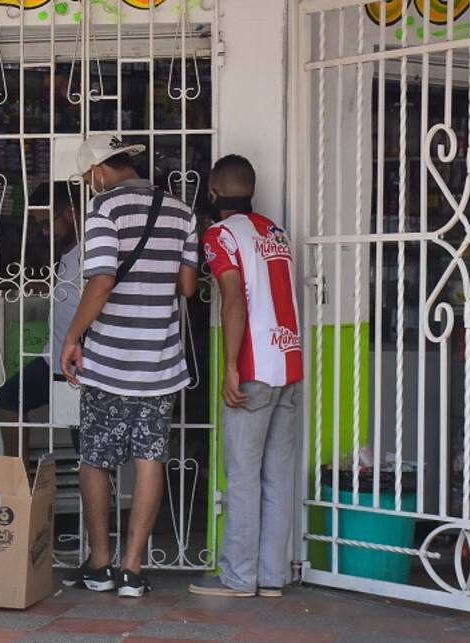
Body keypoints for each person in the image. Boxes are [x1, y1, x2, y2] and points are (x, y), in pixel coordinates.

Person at [59, 135, 199, 598]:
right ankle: (132, 572)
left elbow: (101, 280)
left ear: (99, 171)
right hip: (160, 363)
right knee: (150, 458)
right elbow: (188, 286)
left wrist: (73, 336)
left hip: (109, 362)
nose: (89, 185)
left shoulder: (104, 209)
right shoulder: (181, 211)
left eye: (87, 178)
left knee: (95, 459)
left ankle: (100, 565)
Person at [191, 155, 302, 598]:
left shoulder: (220, 235)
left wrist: (231, 367)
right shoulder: (275, 231)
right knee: (277, 475)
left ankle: (239, 577)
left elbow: (233, 298)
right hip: (289, 363)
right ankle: (271, 577)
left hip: (254, 368)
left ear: (213, 192)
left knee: (241, 475)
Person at [0, 182, 82, 458]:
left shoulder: (92, 254)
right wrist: (40, 286)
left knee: (83, 442)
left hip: (80, 365)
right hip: (53, 359)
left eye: (47, 223)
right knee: (7, 399)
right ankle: (18, 477)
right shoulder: (69, 254)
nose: (44, 232)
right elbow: (70, 292)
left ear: (70, 213)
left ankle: (91, 486)